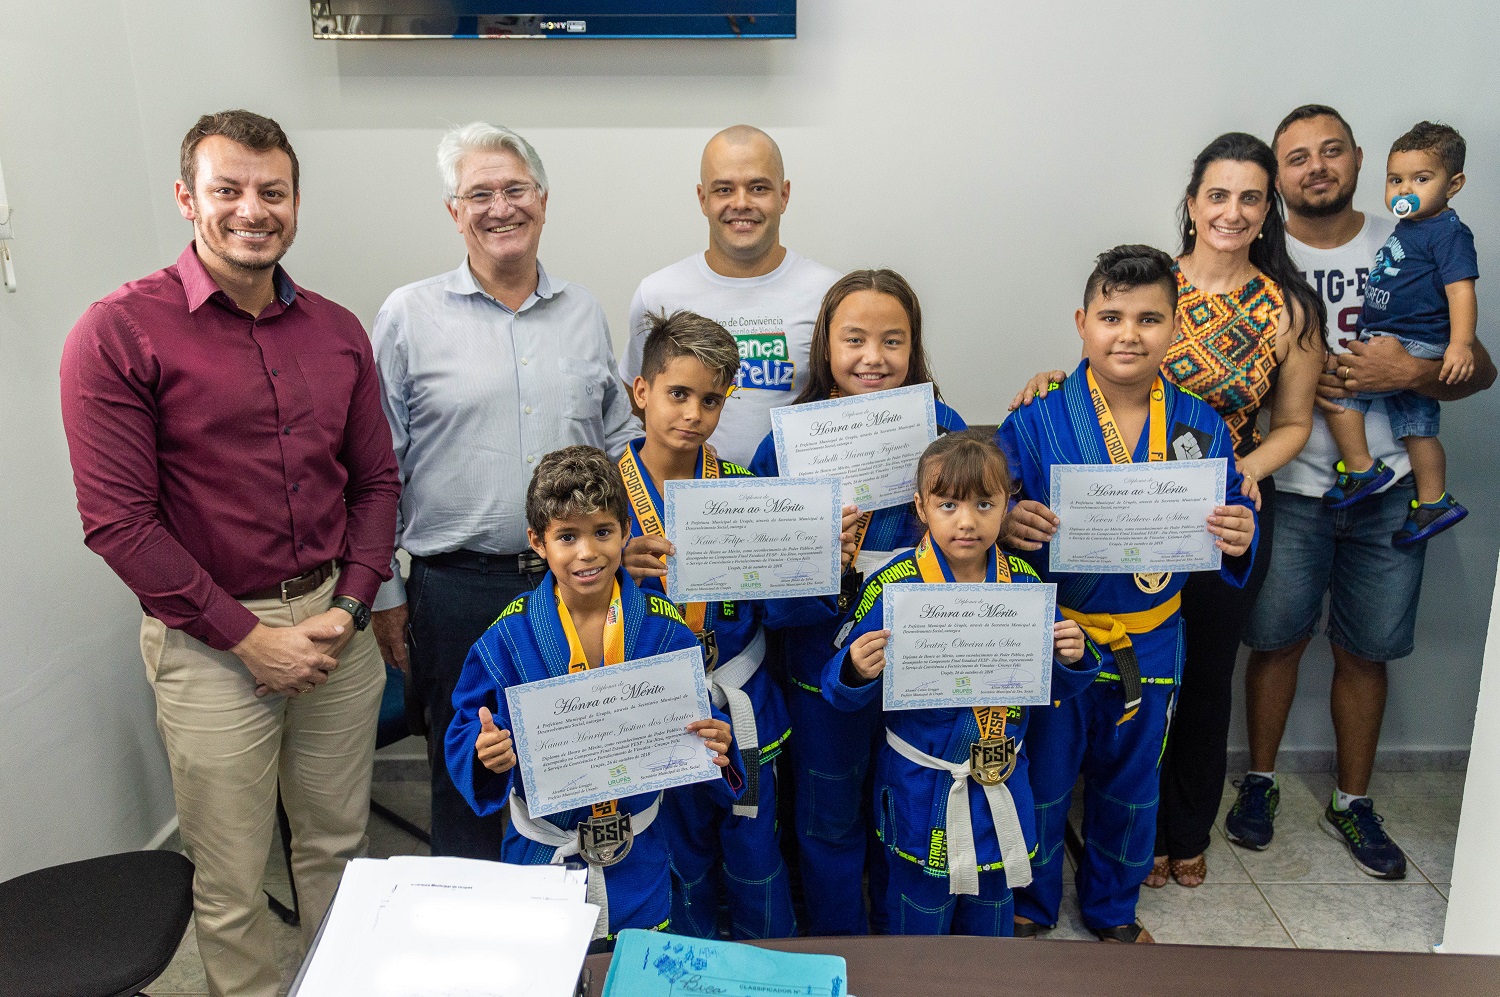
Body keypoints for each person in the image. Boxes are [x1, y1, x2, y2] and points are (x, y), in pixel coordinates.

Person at [59, 110, 400, 997]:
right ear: (187, 199)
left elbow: (375, 486)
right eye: (228, 190)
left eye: (272, 191)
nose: (253, 209)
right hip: (211, 644)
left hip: (337, 622)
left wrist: (351, 607)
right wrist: (250, 637)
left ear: (295, 202)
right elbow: (119, 522)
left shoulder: (335, 330)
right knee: (233, 875)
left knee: (338, 844)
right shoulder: (117, 334)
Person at [1007, 134, 1324, 889]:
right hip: (1073, 617)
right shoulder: (1054, 403)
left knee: (1186, 702)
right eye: (1219, 194)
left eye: (1252, 196)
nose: (1233, 209)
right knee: (1054, 765)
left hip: (1212, 502)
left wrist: (1236, 489)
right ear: (1192, 203)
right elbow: (1015, 497)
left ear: (1172, 328)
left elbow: (1293, 420)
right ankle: (1046, 890)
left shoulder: (1277, 321)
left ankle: (1150, 866)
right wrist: (1018, 510)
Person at [1230, 105, 1495, 878]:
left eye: (1332, 151)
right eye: (1297, 157)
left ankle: (1353, 799)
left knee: (1366, 650)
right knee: (1275, 639)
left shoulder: (1415, 232)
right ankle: (1258, 782)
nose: (1316, 166)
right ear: (1278, 176)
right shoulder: (1258, 254)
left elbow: (1477, 365)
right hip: (1289, 487)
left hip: (1390, 494)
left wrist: (1408, 372)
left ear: (1357, 161)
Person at [369, 122, 637, 859]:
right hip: (457, 592)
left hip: (581, 588)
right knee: (469, 780)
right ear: (453, 211)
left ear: (543, 201)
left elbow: (618, 446)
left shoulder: (583, 311)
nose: (499, 207)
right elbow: (376, 465)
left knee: (581, 770)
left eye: (515, 189)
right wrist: (387, 596)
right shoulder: (407, 315)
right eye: (477, 193)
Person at [998, 245, 1258, 942]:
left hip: (1153, 631)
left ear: (1175, 327)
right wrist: (1010, 523)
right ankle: (1030, 901)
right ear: (1083, 322)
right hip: (1060, 634)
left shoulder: (1201, 425)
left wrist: (1240, 529)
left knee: (1133, 781)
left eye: (1149, 318)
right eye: (1111, 316)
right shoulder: (1034, 418)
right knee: (1044, 776)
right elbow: (989, 511)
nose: (1129, 334)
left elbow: (1236, 507)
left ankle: (1113, 907)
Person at [444, 446, 742, 942]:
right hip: (545, 855)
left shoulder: (666, 631)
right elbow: (464, 726)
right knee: (549, 969)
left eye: (603, 532)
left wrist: (718, 742)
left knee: (640, 966)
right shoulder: (506, 637)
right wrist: (484, 754)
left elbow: (700, 729)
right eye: (567, 537)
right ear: (538, 542)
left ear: (625, 531)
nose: (587, 552)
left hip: (640, 854)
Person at [750, 268, 968, 935]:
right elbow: (761, 582)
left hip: (923, 666)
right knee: (829, 814)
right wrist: (821, 558)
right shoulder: (782, 444)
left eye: (892, 341)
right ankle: (845, 942)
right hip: (823, 662)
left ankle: (909, 945)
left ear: (915, 346)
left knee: (911, 806)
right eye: (854, 339)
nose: (874, 358)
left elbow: (983, 526)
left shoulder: (945, 427)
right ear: (825, 345)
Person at [819, 431, 1098, 936]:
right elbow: (836, 689)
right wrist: (855, 669)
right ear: (921, 508)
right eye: (948, 504)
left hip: (999, 779)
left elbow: (1057, 685)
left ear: (1007, 505)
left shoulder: (1026, 589)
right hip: (920, 783)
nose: (967, 521)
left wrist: (1073, 657)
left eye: (985, 504)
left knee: (990, 915)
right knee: (917, 915)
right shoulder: (892, 587)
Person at [616, 310, 797, 938]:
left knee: (753, 847)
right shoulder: (603, 505)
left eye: (711, 399)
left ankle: (768, 968)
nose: (693, 413)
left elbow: (778, 605)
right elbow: (561, 598)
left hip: (737, 694)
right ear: (641, 393)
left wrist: (814, 566)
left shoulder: (744, 491)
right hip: (651, 707)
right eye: (678, 394)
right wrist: (613, 566)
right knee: (677, 850)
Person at [619, 125, 840, 466]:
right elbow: (639, 402)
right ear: (702, 199)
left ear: (783, 195)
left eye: (758, 188)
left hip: (799, 506)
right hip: (691, 505)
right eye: (724, 189)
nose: (741, 203)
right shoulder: (657, 294)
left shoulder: (829, 294)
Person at [1321, 121, 1477, 546]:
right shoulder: (1411, 228)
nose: (1404, 190)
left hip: (1407, 338)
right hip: (1397, 332)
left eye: (1421, 179)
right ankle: (1433, 502)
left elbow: (1460, 290)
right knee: (1417, 428)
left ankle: (1361, 469)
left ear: (1454, 183)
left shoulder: (1448, 232)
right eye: (1396, 180)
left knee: (1340, 393)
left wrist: (1460, 344)